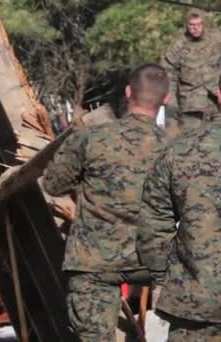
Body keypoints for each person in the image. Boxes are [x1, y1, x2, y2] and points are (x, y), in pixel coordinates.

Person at [42, 63, 170, 341]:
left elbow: (52, 184)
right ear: (166, 99)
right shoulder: (176, 149)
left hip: (94, 263)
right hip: (155, 262)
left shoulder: (91, 138)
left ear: (127, 92)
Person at [136, 83, 221, 341]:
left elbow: (152, 224)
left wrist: (161, 278)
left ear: (219, 95)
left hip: (194, 303)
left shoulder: (180, 151)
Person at [162, 9, 221, 133]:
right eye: (192, 25)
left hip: (216, 103)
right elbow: (168, 72)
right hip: (191, 104)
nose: (196, 28)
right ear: (186, 26)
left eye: (199, 24)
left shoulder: (216, 40)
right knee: (191, 143)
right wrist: (171, 102)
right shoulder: (178, 46)